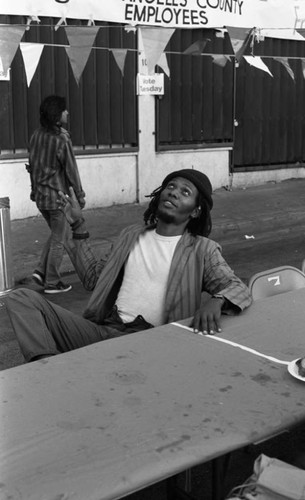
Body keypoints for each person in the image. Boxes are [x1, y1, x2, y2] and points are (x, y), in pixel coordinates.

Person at [6, 169, 252, 362]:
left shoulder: (202, 249)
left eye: (185, 192)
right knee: (22, 298)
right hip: (104, 331)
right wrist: (78, 225)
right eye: (170, 187)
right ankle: (45, 366)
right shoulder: (131, 236)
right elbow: (93, 278)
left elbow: (236, 287)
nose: (174, 192)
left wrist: (216, 301)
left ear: (196, 211)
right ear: (159, 195)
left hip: (150, 344)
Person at [26, 95, 86, 294]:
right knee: (60, 239)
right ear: (57, 116)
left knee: (56, 234)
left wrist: (33, 191)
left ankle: (40, 271)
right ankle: (52, 282)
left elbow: (32, 167)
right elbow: (71, 169)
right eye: (64, 110)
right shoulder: (62, 139)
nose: (67, 112)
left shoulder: (36, 135)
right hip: (57, 198)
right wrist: (79, 194)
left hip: (41, 198)